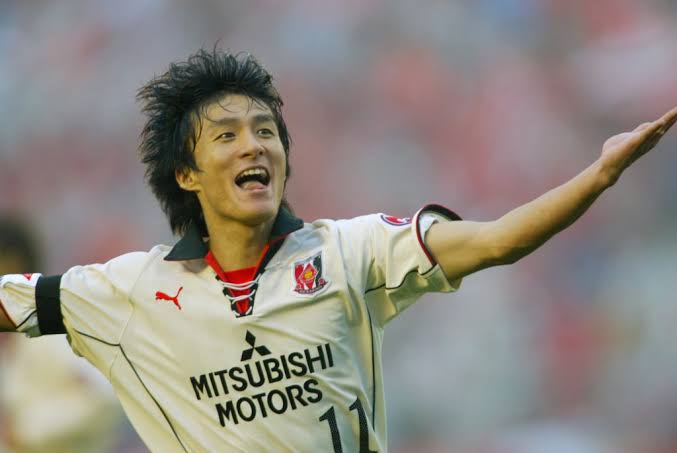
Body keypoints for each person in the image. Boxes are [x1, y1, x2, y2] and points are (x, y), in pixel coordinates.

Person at [0, 48, 674, 452]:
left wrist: (599, 175)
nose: (254, 145)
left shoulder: (352, 251)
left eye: (266, 130)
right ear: (186, 173)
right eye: (227, 135)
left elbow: (497, 240)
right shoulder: (130, 291)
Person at [0, 217, 124, 453]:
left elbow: (103, 396)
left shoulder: (50, 334)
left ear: (11, 262)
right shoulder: (16, 344)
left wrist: (27, 429)